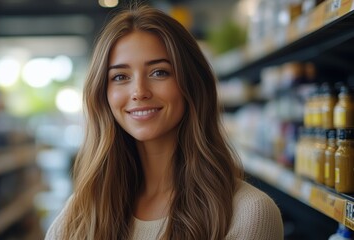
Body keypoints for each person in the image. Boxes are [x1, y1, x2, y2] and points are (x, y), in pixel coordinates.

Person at [45, 4, 284, 240]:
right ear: (102, 95)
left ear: (192, 84)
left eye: (159, 72)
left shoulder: (249, 213)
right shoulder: (81, 212)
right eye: (120, 77)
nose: (139, 91)